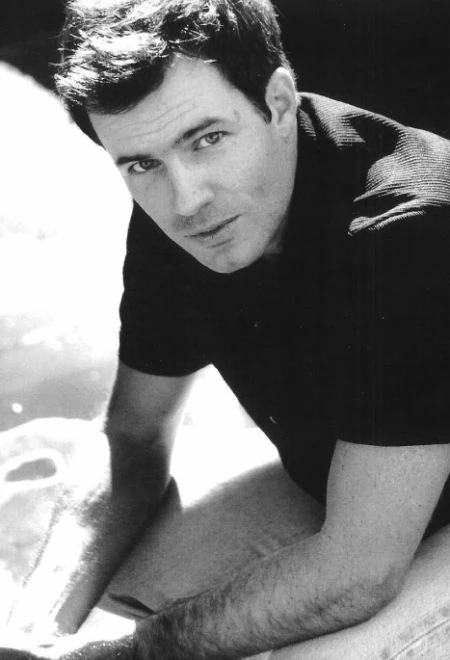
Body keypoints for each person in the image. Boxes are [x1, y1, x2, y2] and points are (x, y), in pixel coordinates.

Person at [4, 0, 450, 658]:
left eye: (207, 139)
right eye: (140, 164)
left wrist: (129, 653)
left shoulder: (409, 233)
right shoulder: (185, 206)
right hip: (373, 483)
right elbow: (132, 437)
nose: (186, 201)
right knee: (130, 579)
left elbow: (359, 572)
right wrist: (30, 634)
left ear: (278, 101)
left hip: (385, 535)